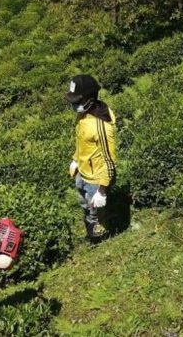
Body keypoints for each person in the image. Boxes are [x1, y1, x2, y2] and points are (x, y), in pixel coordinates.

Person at [65, 74, 118, 242]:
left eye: (77, 101)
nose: (74, 105)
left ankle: (102, 237)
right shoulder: (83, 115)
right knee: (85, 204)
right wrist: (76, 159)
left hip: (96, 179)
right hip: (83, 171)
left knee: (97, 212)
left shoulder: (101, 125)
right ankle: (91, 229)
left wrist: (102, 191)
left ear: (90, 99)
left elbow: (110, 161)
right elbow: (81, 142)